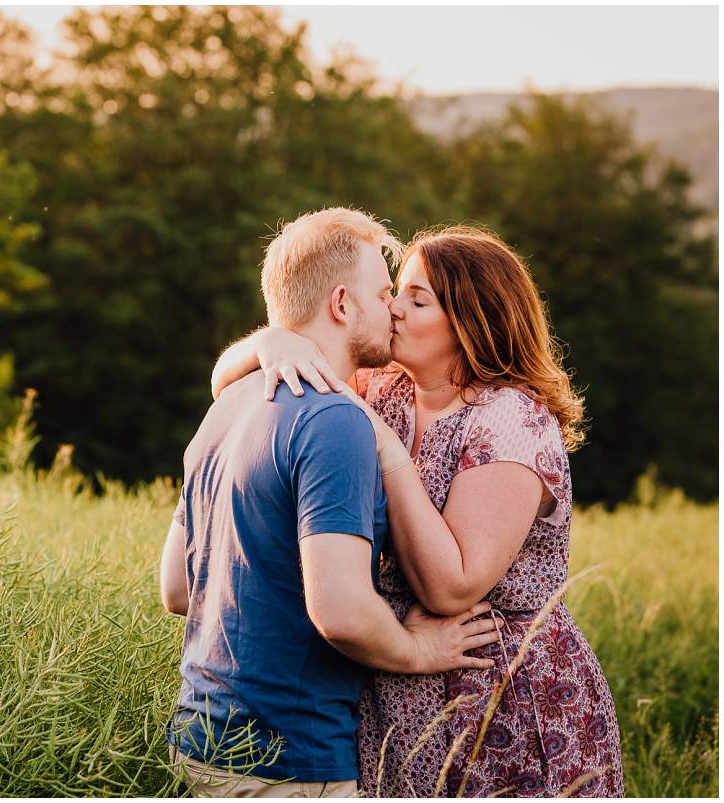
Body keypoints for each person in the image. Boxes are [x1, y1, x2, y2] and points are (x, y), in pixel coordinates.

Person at [211, 225, 624, 797]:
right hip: (393, 699)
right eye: (394, 292)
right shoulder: (386, 387)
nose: (393, 309)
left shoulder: (510, 421)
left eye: (415, 298)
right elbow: (227, 380)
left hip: (498, 703)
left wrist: (383, 446)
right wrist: (271, 344)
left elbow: (451, 587)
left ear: (470, 321)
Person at [160, 209, 502, 798]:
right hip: (290, 760)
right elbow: (340, 611)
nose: (393, 308)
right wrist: (418, 649)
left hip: (201, 741)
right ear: (342, 305)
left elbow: (176, 587)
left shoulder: (227, 404)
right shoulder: (337, 420)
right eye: (383, 292)